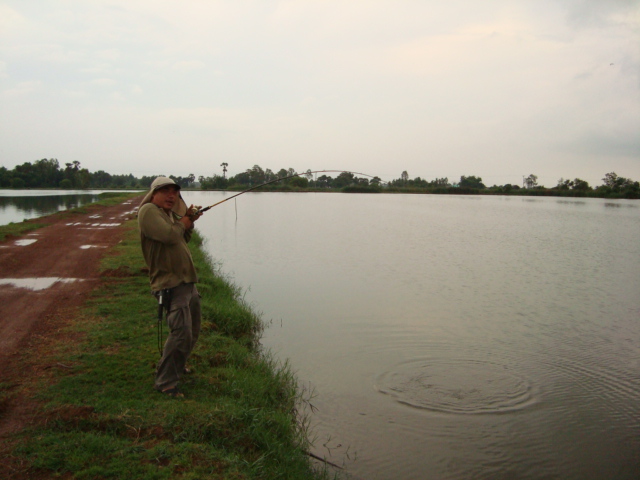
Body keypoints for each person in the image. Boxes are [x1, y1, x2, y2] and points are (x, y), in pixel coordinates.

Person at [137, 176, 202, 398]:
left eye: (174, 191)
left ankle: (176, 363)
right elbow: (169, 235)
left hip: (186, 281)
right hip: (170, 282)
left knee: (192, 330)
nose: (171, 195)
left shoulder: (167, 215)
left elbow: (183, 238)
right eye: (165, 191)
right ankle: (166, 383)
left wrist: (189, 221)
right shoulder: (149, 211)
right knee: (181, 333)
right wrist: (183, 222)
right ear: (154, 194)